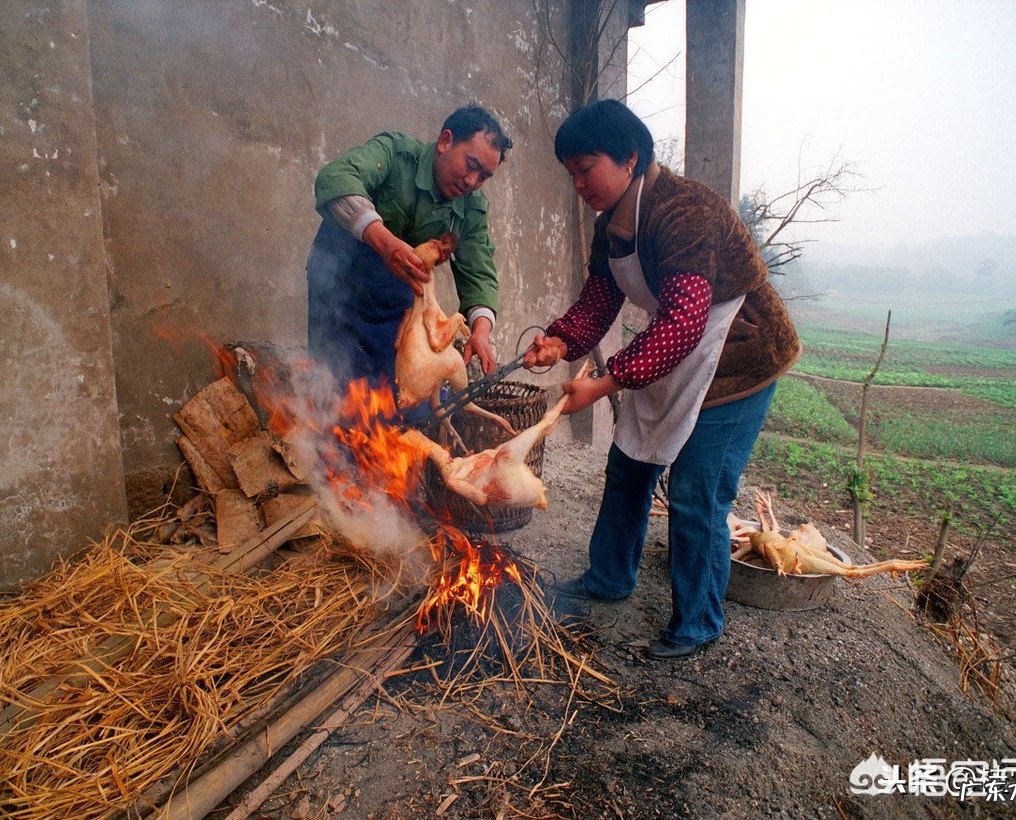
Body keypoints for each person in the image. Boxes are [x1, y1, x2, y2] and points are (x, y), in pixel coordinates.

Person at [525, 99, 801, 660]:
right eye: (571, 173)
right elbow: (599, 300)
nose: (579, 183)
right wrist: (560, 340)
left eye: (587, 168)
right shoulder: (612, 228)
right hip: (679, 344)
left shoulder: (685, 211)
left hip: (740, 351)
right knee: (630, 460)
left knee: (698, 487)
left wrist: (605, 385)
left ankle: (698, 621)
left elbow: (685, 319)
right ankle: (608, 578)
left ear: (630, 158)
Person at [308, 104, 512, 395]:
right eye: (470, 164)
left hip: (397, 298)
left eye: (483, 177)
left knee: (397, 397)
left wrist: (481, 329)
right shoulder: (396, 153)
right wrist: (383, 240)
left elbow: (479, 272)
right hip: (339, 282)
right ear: (445, 141)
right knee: (335, 388)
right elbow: (335, 178)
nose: (471, 182)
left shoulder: (472, 208)